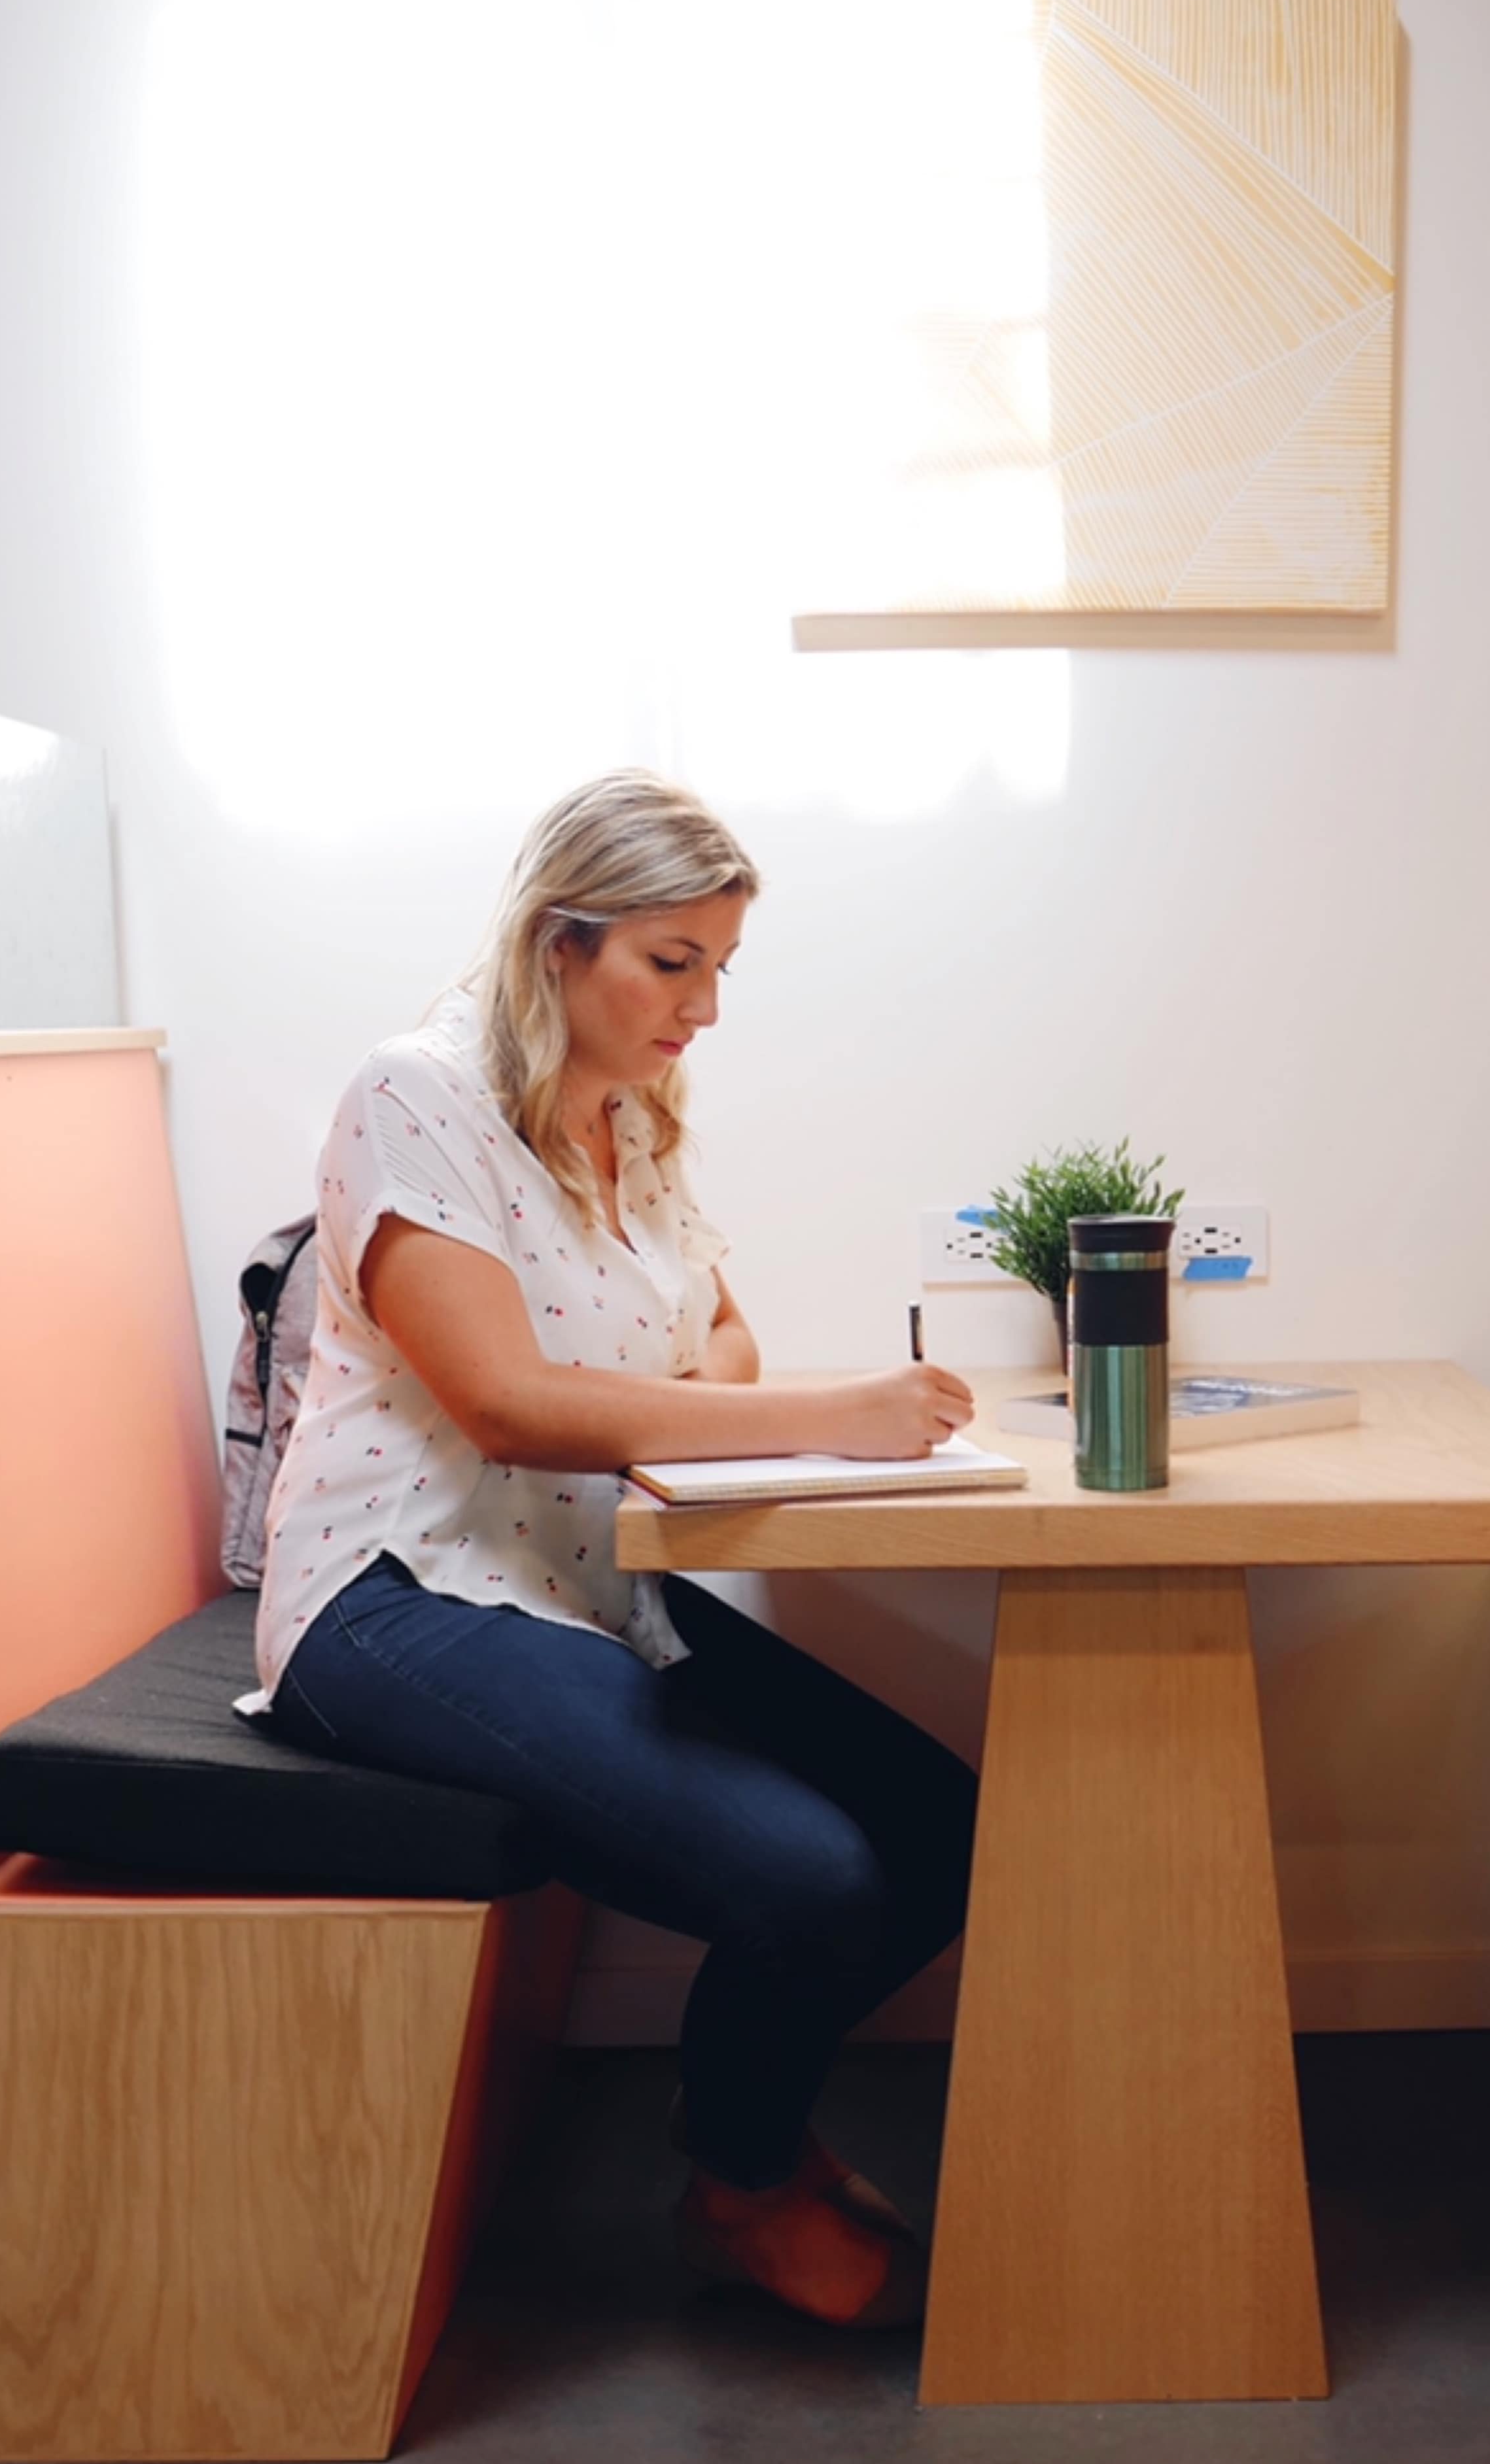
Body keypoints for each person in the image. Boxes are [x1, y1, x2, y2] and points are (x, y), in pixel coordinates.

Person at [255, 769, 979, 2330]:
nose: (705, 1006)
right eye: (675, 959)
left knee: (942, 1821)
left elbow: (714, 1330)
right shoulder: (418, 1093)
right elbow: (509, 1404)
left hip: (588, 1583)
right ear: (556, 943)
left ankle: (742, 2152)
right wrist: (825, 1416)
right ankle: (745, 2184)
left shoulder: (628, 1108)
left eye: (721, 965)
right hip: (394, 1592)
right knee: (813, 1877)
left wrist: (716, 1400)